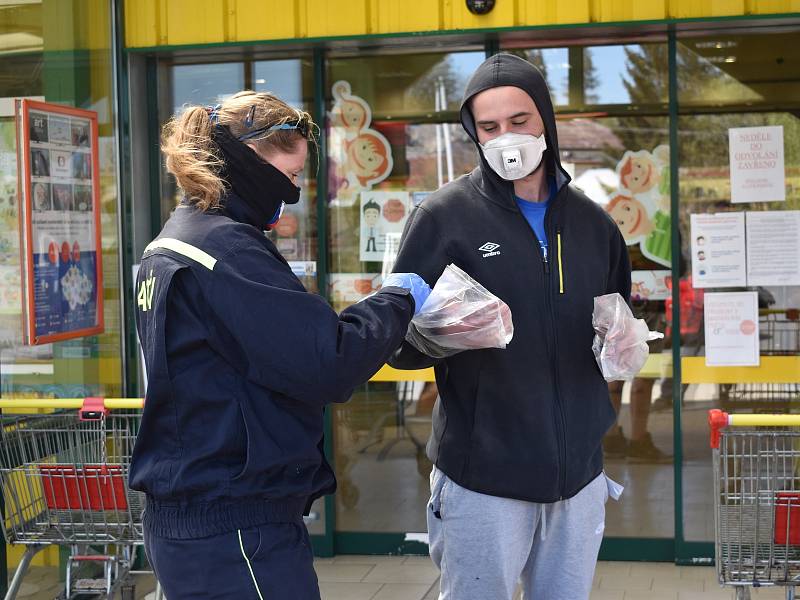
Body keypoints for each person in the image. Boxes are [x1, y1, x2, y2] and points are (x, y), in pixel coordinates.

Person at [130, 91, 431, 600]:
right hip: (237, 528)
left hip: (194, 518)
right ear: (246, 161)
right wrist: (399, 299)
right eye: (290, 177)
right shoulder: (225, 250)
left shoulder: (171, 243)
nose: (291, 195)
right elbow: (328, 360)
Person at [390, 54, 631, 600]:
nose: (507, 138)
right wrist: (445, 330)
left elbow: (617, 320)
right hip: (483, 478)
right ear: (473, 134)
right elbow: (398, 344)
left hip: (579, 477)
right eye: (490, 127)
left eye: (520, 122)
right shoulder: (442, 218)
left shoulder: (595, 225)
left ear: (545, 121)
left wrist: (622, 342)